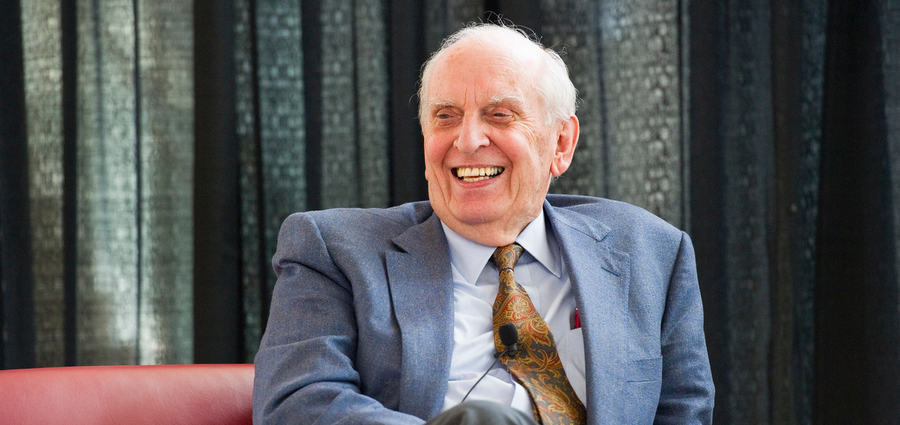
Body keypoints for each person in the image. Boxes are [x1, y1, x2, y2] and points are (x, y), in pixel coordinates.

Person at [253, 23, 714, 424]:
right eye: (445, 117)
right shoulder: (335, 251)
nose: (468, 140)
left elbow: (682, 411)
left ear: (561, 143)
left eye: (499, 115)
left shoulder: (649, 252)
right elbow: (298, 404)